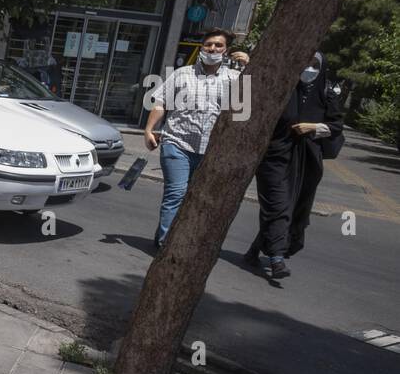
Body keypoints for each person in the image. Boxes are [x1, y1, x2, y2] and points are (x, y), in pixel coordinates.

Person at [244, 51, 344, 278]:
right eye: (305, 62)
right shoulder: (282, 88)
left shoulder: (327, 93)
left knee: (293, 209)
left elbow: (336, 126)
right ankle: (277, 259)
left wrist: (313, 128)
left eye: (314, 64)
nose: (309, 68)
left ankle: (254, 251)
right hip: (274, 157)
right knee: (279, 206)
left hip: (308, 160)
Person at [143, 28, 240, 249]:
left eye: (218, 45)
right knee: (176, 193)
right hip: (177, 142)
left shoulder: (235, 79)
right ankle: (165, 246)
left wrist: (249, 64)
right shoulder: (182, 74)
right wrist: (149, 129)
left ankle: (163, 233)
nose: (212, 49)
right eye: (208, 44)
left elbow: (246, 109)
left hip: (211, 151)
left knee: (194, 199)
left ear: (227, 50)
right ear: (202, 47)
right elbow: (160, 102)